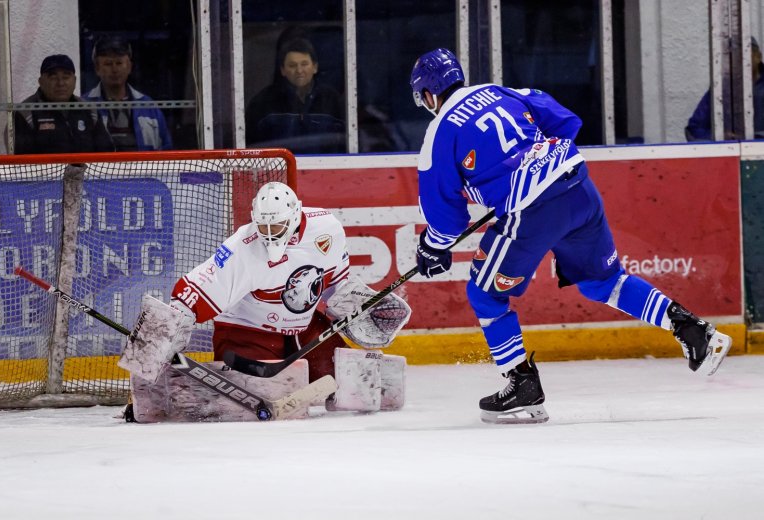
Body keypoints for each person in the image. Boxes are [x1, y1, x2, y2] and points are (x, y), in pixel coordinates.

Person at [409, 48, 733, 424]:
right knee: (604, 281)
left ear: (429, 95)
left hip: (534, 209)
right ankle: (695, 331)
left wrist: (433, 247)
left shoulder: (438, 133)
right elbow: (564, 121)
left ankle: (522, 385)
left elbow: (446, 220)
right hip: (576, 184)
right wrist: (525, 167)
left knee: (485, 292)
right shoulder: (502, 92)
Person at [168, 182, 409, 400]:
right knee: (259, 396)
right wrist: (169, 326)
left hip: (302, 329)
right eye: (264, 226)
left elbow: (335, 286)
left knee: (356, 390)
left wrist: (356, 305)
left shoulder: (326, 228)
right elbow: (197, 288)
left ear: (295, 216)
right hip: (246, 332)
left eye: (278, 225)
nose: (270, 233)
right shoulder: (242, 249)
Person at [246, 37, 345, 154]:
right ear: (282, 70)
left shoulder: (332, 99)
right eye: (292, 65)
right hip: (279, 171)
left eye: (304, 64)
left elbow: (344, 143)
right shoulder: (262, 103)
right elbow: (252, 149)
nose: (299, 70)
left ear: (315, 67)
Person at [83, 36, 173, 151]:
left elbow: (166, 149)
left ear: (129, 67)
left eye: (119, 63)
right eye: (108, 64)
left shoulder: (148, 106)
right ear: (97, 68)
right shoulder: (84, 106)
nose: (114, 69)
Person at [14, 54, 114, 154]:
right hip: (43, 170)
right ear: (41, 82)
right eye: (53, 77)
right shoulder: (26, 113)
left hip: (87, 169)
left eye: (66, 77)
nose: (61, 83)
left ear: (75, 81)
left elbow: (106, 152)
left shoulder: (90, 110)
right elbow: (23, 160)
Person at [685, 37, 764, 140]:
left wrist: (757, 138)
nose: (739, 60)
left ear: (758, 57)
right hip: (732, 152)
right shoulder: (722, 88)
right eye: (733, 56)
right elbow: (694, 130)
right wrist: (720, 137)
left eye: (744, 54)